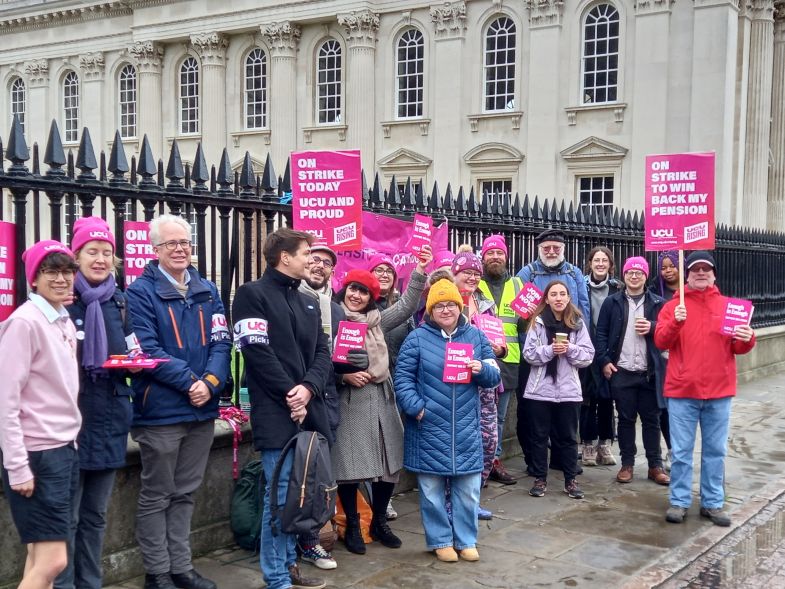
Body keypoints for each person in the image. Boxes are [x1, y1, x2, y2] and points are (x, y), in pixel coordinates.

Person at [126, 214, 231, 589]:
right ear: (155, 250)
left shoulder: (208, 289)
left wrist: (212, 382)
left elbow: (222, 341)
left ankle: (182, 568)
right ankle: (157, 573)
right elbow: (147, 351)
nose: (180, 249)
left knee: (185, 493)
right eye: (171, 243)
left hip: (201, 409)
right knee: (157, 495)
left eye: (185, 242)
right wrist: (191, 382)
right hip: (161, 412)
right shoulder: (139, 293)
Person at [231, 227, 331, 589]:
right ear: (284, 256)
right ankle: (276, 577)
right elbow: (256, 352)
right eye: (306, 253)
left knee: (299, 496)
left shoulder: (308, 300)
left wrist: (307, 389)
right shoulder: (250, 294)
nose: (312, 260)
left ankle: (289, 564)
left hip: (307, 411)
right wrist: (291, 394)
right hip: (276, 414)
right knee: (279, 496)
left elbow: (323, 353)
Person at [54, 218, 140, 589]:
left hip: (110, 419)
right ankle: (63, 583)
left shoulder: (119, 301)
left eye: (107, 252)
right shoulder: (58, 298)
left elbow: (133, 350)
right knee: (65, 516)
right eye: (92, 252)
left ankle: (90, 582)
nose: (101, 259)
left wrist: (136, 363)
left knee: (96, 515)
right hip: (70, 421)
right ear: (76, 256)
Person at [331, 249, 430, 556]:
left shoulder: (377, 321)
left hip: (382, 396)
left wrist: (420, 270)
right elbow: (319, 359)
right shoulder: (331, 318)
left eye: (363, 291)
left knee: (390, 463)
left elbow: (406, 305)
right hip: (351, 399)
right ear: (344, 291)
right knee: (350, 467)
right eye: (353, 289)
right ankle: (354, 525)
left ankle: (378, 522)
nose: (357, 295)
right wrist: (343, 378)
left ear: (371, 297)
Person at [395, 279, 501, 563]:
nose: (445, 310)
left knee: (468, 491)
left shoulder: (476, 337)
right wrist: (416, 407)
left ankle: (466, 540)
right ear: (430, 310)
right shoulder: (416, 338)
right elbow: (403, 379)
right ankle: (440, 540)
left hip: (466, 427)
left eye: (450, 304)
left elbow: (494, 375)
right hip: (428, 425)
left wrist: (481, 370)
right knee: (431, 491)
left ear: (459, 306)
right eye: (439, 305)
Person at [0, 240, 80, 589]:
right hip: (38, 454)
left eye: (67, 271)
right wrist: (18, 466)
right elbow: (6, 400)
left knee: (38, 557)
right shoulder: (25, 323)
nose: (61, 279)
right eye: (51, 271)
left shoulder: (59, 318)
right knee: (53, 561)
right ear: (33, 278)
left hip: (62, 448)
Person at [655, 251, 755, 527]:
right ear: (687, 274)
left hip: (719, 390)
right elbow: (661, 341)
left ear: (714, 274)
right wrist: (676, 320)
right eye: (695, 269)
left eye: (706, 269)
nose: (701, 273)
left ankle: (712, 502)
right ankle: (679, 500)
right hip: (682, 390)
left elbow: (738, 346)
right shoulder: (672, 306)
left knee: (715, 450)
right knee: (682, 451)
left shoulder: (728, 306)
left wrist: (748, 338)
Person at [596, 257, 669, 486]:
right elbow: (601, 333)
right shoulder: (612, 302)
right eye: (630, 272)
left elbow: (668, 333)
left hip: (649, 372)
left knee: (652, 420)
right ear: (624, 275)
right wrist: (605, 361)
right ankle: (627, 464)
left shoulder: (658, 303)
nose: (634, 276)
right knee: (625, 420)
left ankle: (654, 465)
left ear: (646, 276)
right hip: (623, 370)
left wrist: (653, 327)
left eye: (639, 272)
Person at [521, 280, 594, 500]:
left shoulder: (577, 323)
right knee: (539, 437)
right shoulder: (538, 323)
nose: (559, 298)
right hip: (540, 390)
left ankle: (570, 480)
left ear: (569, 297)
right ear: (547, 299)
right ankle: (540, 478)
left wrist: (570, 349)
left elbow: (588, 356)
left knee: (569, 438)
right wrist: (550, 350)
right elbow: (529, 354)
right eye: (554, 294)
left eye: (563, 294)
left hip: (568, 390)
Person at [452, 248, 506, 518]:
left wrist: (499, 350)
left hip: (485, 384)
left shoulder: (484, 301)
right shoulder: (446, 300)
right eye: (466, 273)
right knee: (458, 447)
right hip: (455, 386)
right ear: (455, 273)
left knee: (488, 443)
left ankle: (473, 499)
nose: (472, 278)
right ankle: (453, 504)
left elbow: (499, 341)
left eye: (476, 273)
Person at [477, 234, 524, 485]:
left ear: (506, 257)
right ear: (483, 257)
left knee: (499, 417)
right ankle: (479, 462)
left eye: (499, 253)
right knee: (478, 415)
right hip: (480, 361)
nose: (495, 257)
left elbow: (526, 323)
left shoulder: (518, 285)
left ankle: (493, 461)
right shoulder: (474, 282)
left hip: (509, 362)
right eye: (490, 253)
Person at [579, 246, 621, 468]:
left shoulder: (617, 288)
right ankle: (587, 443)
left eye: (605, 260)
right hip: (586, 346)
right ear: (590, 263)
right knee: (587, 399)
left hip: (608, 350)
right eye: (597, 260)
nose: (600, 264)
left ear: (610, 265)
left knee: (606, 398)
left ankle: (604, 443)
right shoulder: (581, 285)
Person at [648, 250, 682, 472]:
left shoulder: (689, 292)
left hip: (684, 358)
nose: (668, 271)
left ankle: (679, 450)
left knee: (681, 409)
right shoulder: (654, 292)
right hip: (661, 358)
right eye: (664, 267)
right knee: (663, 408)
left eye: (672, 266)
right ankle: (670, 450)